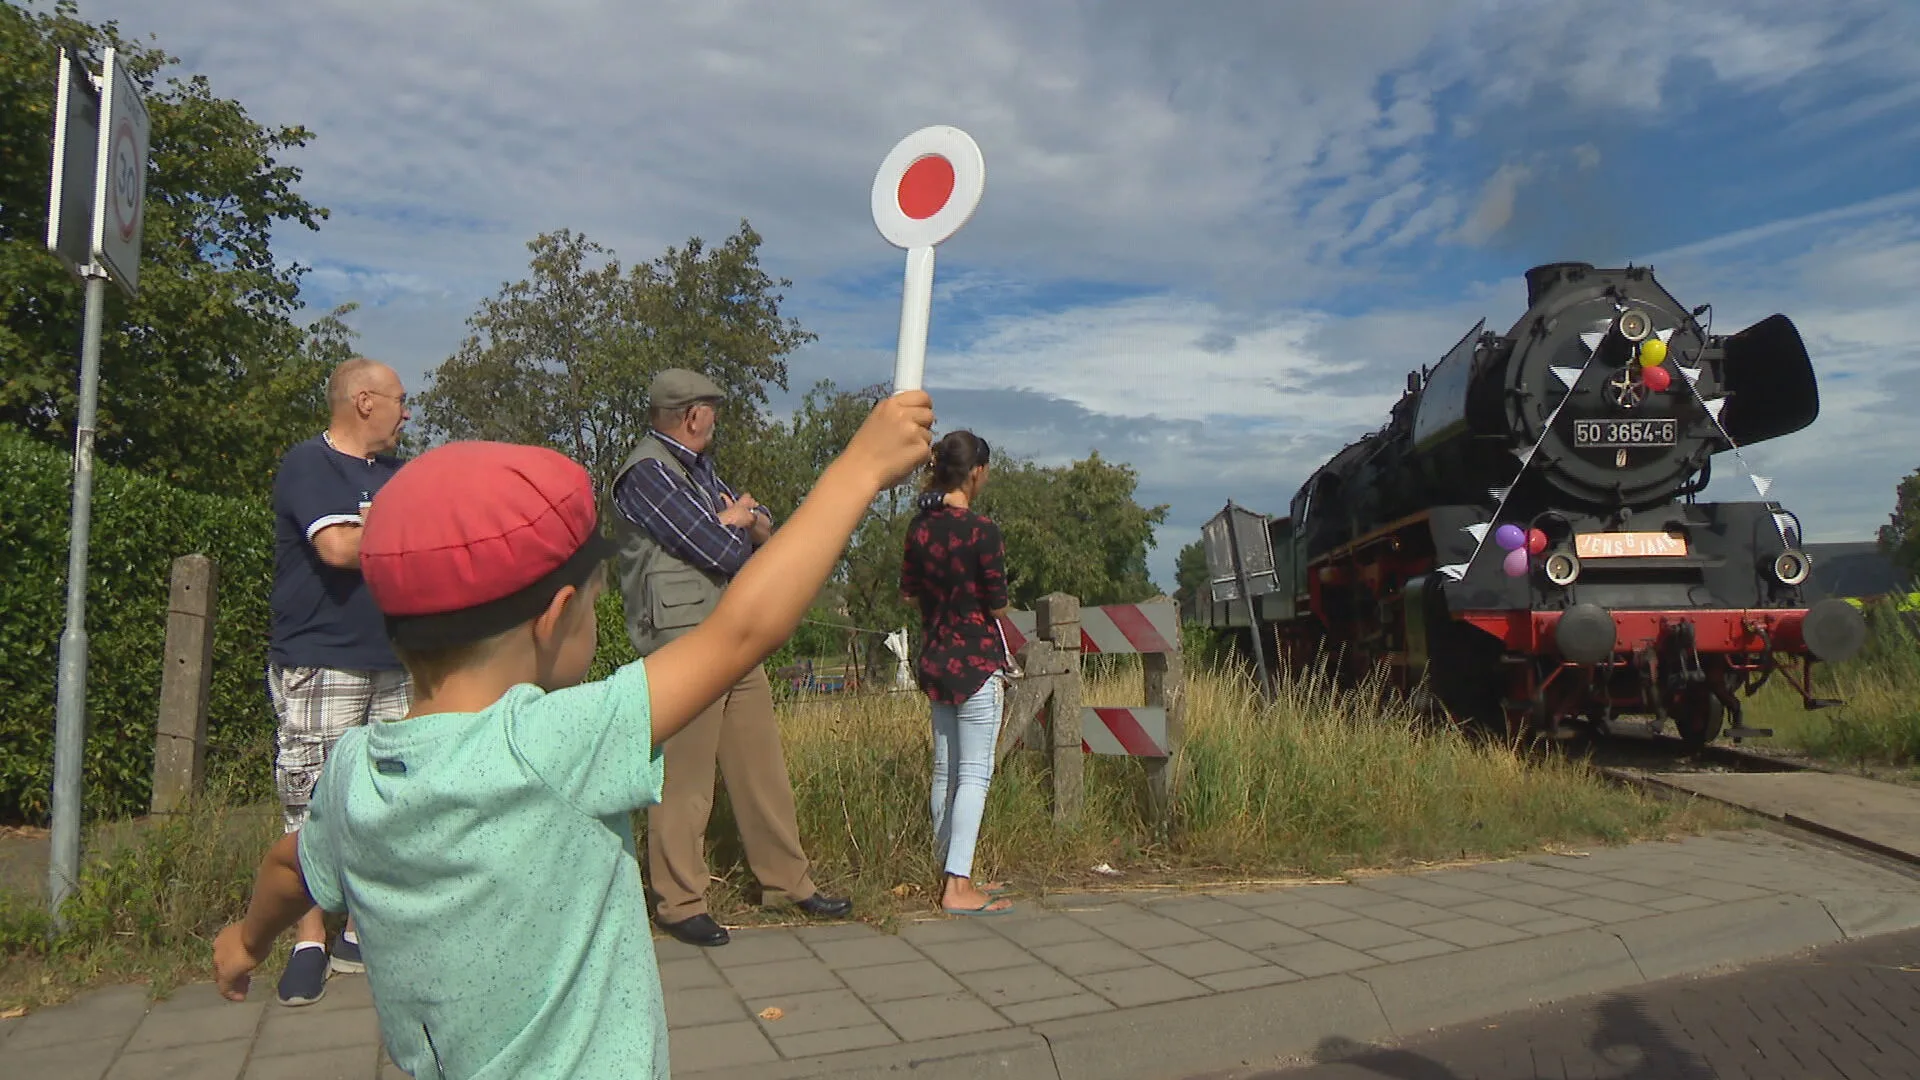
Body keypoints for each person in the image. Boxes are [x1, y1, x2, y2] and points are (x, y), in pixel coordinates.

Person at [211, 392, 937, 1080]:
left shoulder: (355, 774)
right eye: (596, 598)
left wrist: (247, 942)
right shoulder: (556, 743)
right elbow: (742, 629)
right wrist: (862, 468)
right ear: (555, 617)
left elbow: (288, 868)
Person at [606, 368, 852, 948]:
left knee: (760, 766)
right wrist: (737, 523)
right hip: (683, 640)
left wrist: (743, 519)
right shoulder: (645, 473)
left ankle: (787, 882)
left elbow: (760, 526)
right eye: (712, 409)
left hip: (731, 630)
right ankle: (679, 900)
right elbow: (716, 545)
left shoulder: (695, 469)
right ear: (692, 415)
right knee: (685, 778)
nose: (716, 418)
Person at [264, 356, 414, 1005]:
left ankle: (359, 932)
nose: (408, 413)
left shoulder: (402, 476)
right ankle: (307, 940)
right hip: (322, 659)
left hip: (398, 659)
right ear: (362, 400)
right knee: (313, 803)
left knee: (389, 804)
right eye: (400, 400)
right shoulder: (309, 464)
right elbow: (338, 548)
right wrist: (412, 525)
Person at [900, 430, 1016, 916]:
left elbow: (908, 592)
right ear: (976, 472)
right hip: (975, 663)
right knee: (975, 773)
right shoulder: (982, 531)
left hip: (935, 660)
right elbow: (997, 602)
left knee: (945, 771)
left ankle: (947, 865)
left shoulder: (919, 529)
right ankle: (958, 884)